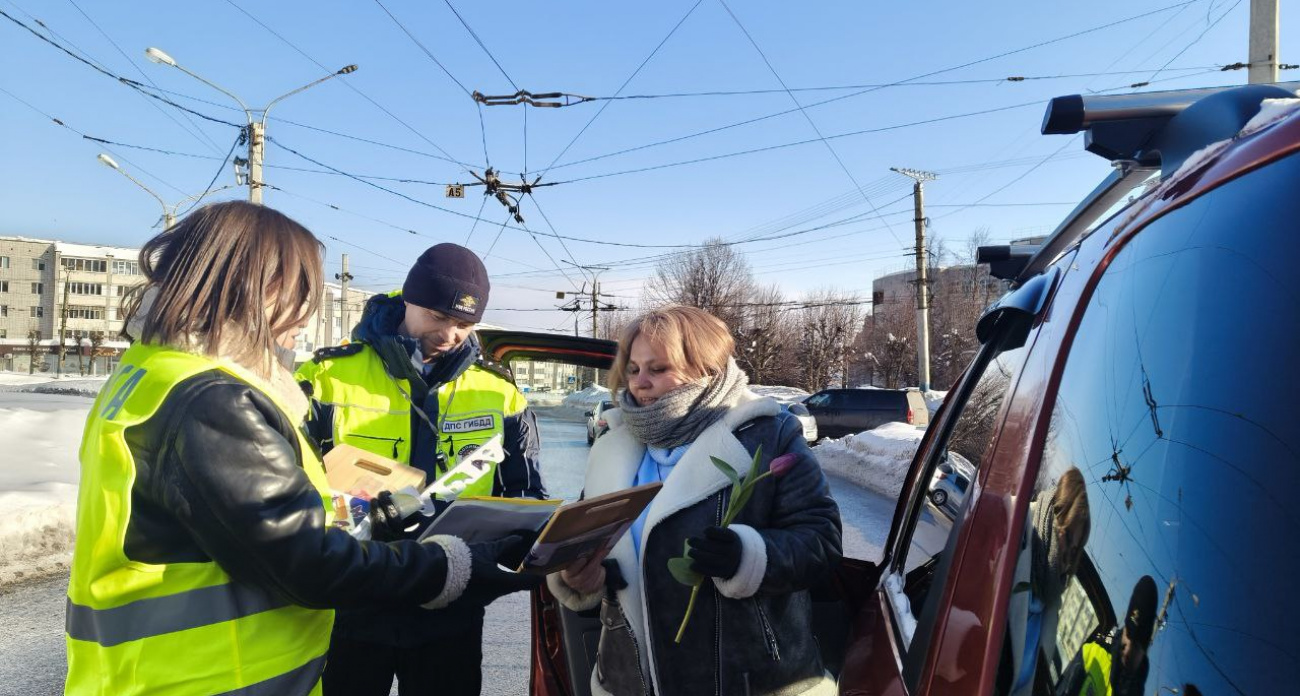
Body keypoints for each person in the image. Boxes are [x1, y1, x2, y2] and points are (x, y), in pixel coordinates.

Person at [64, 202, 534, 696]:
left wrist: (373, 518)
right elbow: (305, 559)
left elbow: (263, 517)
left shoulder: (154, 371)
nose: (304, 319)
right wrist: (447, 566)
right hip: (210, 676)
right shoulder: (215, 398)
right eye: (299, 295)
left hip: (162, 671)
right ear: (254, 288)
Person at [547, 305, 843, 696]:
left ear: (707, 369)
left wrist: (747, 556)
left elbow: (820, 541)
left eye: (658, 368)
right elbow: (590, 540)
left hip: (747, 681)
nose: (640, 383)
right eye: (633, 369)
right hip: (630, 680)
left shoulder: (766, 435)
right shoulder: (612, 446)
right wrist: (582, 576)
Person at [295, 242, 545, 695]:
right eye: (437, 316)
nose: (450, 334)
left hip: (451, 609)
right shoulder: (327, 378)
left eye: (464, 324)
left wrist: (515, 554)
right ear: (409, 299)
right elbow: (288, 491)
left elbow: (525, 496)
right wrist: (359, 517)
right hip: (353, 601)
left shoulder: (500, 393)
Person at [1007, 466, 1092, 696]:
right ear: (1055, 516)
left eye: (1075, 550)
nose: (1067, 559)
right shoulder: (1012, 526)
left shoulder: (1050, 600)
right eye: (1067, 537)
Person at [1059, 575, 1159, 696]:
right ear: (1124, 628)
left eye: (1137, 645)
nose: (1128, 648)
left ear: (1144, 650)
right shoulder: (1092, 652)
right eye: (1129, 634)